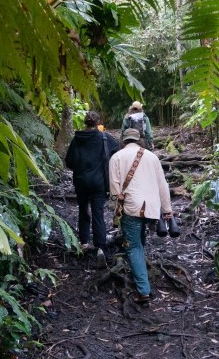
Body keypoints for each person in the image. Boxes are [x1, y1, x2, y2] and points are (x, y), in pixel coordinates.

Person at [109, 128, 172, 303]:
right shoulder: (152, 157)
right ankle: (141, 271)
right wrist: (167, 210)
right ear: (139, 140)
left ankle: (143, 290)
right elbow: (162, 185)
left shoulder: (117, 157)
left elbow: (115, 191)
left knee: (134, 246)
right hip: (152, 207)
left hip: (132, 207)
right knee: (139, 240)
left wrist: (117, 200)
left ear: (123, 140)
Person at [65, 111, 120, 265]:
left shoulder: (77, 139)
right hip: (99, 183)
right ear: (98, 122)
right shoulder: (104, 137)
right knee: (98, 213)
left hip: (81, 181)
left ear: (85, 122)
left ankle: (83, 243)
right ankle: (100, 248)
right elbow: (117, 152)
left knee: (83, 210)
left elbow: (69, 161)